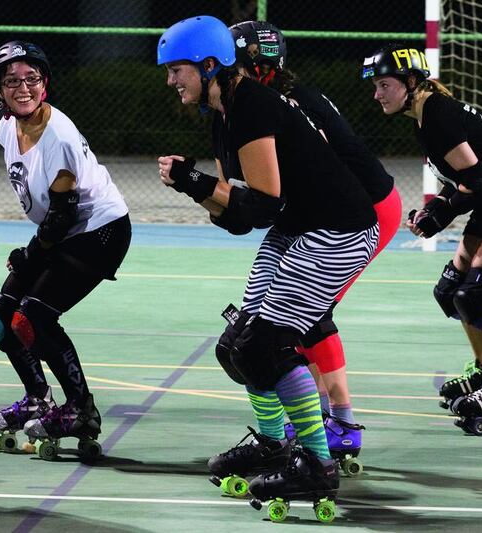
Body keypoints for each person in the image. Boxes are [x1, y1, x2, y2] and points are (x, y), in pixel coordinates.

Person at [156, 16, 378, 517]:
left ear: (209, 65)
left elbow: (260, 204)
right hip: (298, 226)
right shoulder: (225, 114)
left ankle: (317, 463)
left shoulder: (253, 105)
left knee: (268, 343)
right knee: (237, 346)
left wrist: (194, 180)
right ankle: (274, 445)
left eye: (177, 70)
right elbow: (239, 219)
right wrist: (195, 186)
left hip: (337, 229)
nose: (171, 81)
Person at [229, 20, 403, 471]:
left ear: (248, 62)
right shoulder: (283, 93)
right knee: (299, 313)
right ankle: (324, 413)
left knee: (305, 313)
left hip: (364, 209)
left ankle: (338, 421)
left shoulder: (280, 101)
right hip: (351, 206)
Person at [364, 44, 482, 435]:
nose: (377, 94)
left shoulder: (436, 113)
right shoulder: (426, 113)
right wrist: (438, 210)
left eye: (384, 85)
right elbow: (473, 181)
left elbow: (479, 180)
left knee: (480, 294)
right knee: (451, 290)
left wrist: (442, 211)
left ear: (410, 82)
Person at [0, 41, 131, 457]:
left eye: (32, 79)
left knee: (34, 320)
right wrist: (33, 252)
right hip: (62, 232)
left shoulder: (58, 136)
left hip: (100, 233)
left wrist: (32, 255)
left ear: (45, 85)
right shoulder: (6, 129)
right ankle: (36, 399)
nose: (22, 88)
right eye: (11, 81)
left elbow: (62, 216)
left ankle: (81, 410)